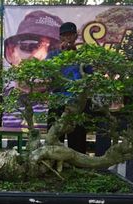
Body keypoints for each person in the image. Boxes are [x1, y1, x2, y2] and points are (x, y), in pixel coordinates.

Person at [46, 22, 92, 154]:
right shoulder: (53, 56)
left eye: (70, 35)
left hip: (78, 103)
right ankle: (52, 165)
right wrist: (61, 56)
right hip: (57, 101)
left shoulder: (83, 56)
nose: (68, 38)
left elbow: (90, 76)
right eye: (64, 36)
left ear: (76, 36)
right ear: (60, 38)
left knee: (77, 140)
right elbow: (47, 75)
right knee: (54, 137)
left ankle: (78, 167)